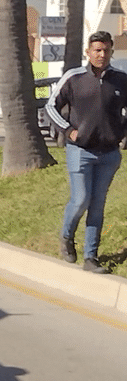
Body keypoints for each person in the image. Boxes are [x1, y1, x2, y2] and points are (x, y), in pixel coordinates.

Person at [45, 30, 127, 274]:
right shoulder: (74, 77)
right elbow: (51, 107)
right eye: (97, 50)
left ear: (111, 51)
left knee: (98, 205)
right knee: (81, 199)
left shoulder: (121, 80)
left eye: (106, 50)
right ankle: (67, 237)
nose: (101, 54)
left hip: (109, 155)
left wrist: (123, 135)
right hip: (80, 151)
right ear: (88, 52)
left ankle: (91, 257)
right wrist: (68, 130)